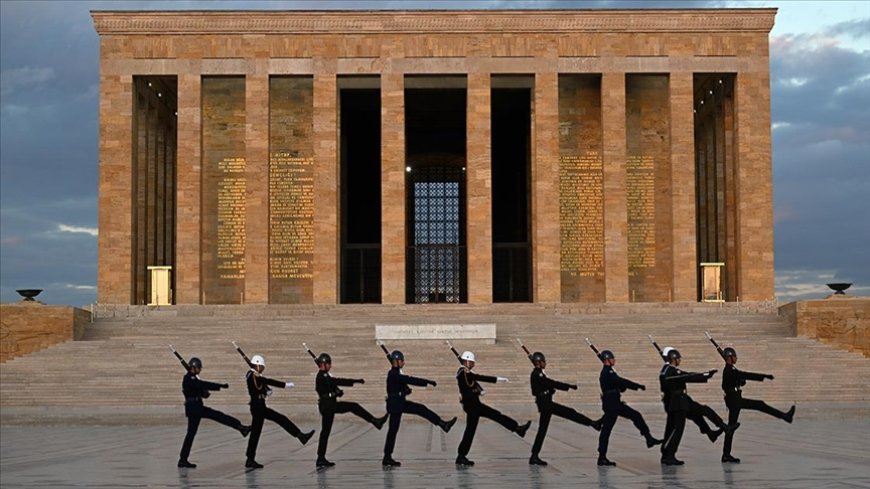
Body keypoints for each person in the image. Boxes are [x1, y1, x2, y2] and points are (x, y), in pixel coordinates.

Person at [659, 348, 737, 466]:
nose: (680, 360)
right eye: (678, 359)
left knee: (699, 414)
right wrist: (705, 376)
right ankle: (669, 455)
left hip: (682, 401)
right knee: (678, 429)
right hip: (679, 403)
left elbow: (686, 375)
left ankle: (716, 431)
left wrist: (704, 375)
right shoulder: (670, 371)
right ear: (674, 359)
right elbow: (687, 377)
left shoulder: (669, 371)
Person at [455, 351, 531, 466]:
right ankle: (517, 428)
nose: (473, 364)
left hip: (473, 405)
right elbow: (478, 377)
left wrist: (478, 391)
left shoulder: (465, 372)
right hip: (472, 406)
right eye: (471, 362)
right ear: (466, 361)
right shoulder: (463, 372)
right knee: (487, 420)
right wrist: (497, 379)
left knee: (476, 427)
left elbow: (471, 383)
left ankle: (461, 456)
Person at [720, 347, 795, 463]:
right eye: (734, 356)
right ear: (730, 357)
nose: (736, 358)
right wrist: (763, 376)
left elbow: (738, 381)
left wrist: (740, 381)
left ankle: (726, 454)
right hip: (734, 400)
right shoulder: (729, 370)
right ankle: (785, 416)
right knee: (759, 405)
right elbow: (745, 375)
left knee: (731, 427)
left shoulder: (730, 370)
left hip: (735, 399)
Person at [383, 350, 457, 467]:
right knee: (393, 430)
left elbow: (401, 385)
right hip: (395, 404)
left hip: (398, 402)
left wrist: (405, 390)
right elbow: (411, 379)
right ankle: (387, 457)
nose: (404, 363)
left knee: (418, 410)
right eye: (402, 361)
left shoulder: (395, 374)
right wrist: (427, 382)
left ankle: (442, 424)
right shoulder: (394, 374)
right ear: (397, 362)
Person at [315, 352, 389, 468]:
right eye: (329, 363)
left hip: (329, 405)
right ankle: (375, 421)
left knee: (327, 430)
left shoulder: (325, 376)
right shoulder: (322, 376)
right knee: (327, 430)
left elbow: (331, 387)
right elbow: (336, 382)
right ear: (323, 364)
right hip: (327, 406)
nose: (330, 366)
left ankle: (320, 458)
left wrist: (336, 393)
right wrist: (354, 381)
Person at [528, 351, 602, 466]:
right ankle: (592, 423)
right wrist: (567, 386)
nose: (545, 363)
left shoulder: (538, 373)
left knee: (544, 429)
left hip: (545, 404)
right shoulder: (537, 374)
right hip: (546, 405)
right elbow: (550, 383)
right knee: (568, 413)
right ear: (539, 362)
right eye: (544, 361)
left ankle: (534, 455)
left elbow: (546, 386)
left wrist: (550, 390)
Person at [177, 357, 250, 468]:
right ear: (194, 368)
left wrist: (205, 393)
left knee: (195, 431)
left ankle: (240, 427)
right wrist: (219, 386)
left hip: (197, 407)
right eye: (199, 368)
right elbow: (202, 384)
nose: (200, 370)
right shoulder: (188, 379)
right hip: (194, 409)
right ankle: (240, 427)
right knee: (215, 418)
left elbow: (201, 391)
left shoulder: (193, 379)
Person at [244, 354, 314, 469]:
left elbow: (260, 386)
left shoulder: (254, 375)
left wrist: (265, 390)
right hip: (257, 407)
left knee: (280, 419)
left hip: (260, 406)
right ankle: (250, 459)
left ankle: (300, 435)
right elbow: (267, 381)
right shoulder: (252, 375)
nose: (262, 369)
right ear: (257, 365)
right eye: (261, 367)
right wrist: (285, 385)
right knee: (256, 433)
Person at [595, 349, 662, 466]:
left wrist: (622, 387)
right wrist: (636, 386)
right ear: (607, 360)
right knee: (606, 430)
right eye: (612, 358)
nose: (614, 360)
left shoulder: (609, 371)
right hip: (611, 404)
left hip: (615, 403)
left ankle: (648, 438)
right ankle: (601, 456)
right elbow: (620, 381)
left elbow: (619, 385)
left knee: (635, 415)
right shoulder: (607, 372)